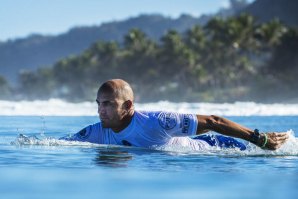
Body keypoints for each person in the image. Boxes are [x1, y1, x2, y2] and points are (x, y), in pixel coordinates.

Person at [61, 79, 289, 151]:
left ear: (128, 105)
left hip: (215, 147)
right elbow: (60, 144)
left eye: (108, 104)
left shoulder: (156, 121)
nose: (101, 110)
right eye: (98, 104)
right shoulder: (97, 131)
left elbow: (213, 121)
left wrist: (259, 138)